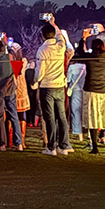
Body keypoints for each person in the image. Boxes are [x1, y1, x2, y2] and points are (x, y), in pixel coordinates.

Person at [32, 16, 73, 156]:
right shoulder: (60, 46)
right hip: (60, 85)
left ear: (42, 36)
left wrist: (35, 81)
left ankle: (51, 146)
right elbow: (62, 37)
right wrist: (54, 24)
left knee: (49, 117)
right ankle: (64, 144)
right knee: (61, 116)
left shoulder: (42, 50)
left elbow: (40, 71)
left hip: (47, 86)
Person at [74, 31, 105, 154]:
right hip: (104, 91)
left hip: (90, 90)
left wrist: (83, 38)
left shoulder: (90, 58)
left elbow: (80, 53)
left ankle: (95, 147)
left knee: (92, 119)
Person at [0, 38, 22, 152]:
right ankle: (19, 143)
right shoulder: (9, 58)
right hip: (10, 89)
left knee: (0, 117)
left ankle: (2, 143)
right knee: (14, 115)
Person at [66, 58, 86, 142]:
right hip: (85, 90)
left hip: (75, 90)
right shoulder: (85, 66)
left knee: (75, 112)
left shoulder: (72, 67)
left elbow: (68, 79)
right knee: (85, 112)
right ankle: (87, 132)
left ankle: (78, 133)